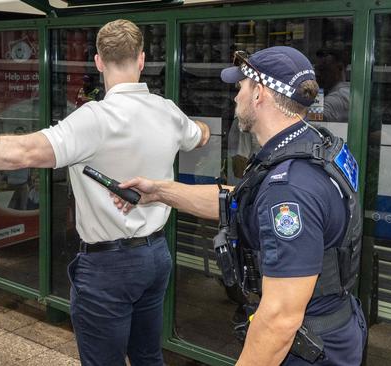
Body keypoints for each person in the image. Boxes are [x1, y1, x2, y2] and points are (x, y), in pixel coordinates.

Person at [0, 19, 210, 366]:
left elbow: (20, 153)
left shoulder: (95, 118)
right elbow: (200, 135)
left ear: (97, 61)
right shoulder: (167, 111)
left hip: (109, 267)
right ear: (141, 60)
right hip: (156, 256)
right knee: (147, 356)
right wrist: (196, 127)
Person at [113, 47, 366, 365]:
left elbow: (279, 320)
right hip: (332, 331)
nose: (236, 96)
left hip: (306, 349)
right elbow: (241, 199)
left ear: (259, 93)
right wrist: (160, 191)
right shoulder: (310, 147)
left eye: (240, 86)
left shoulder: (288, 190)